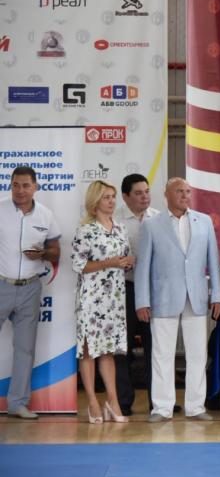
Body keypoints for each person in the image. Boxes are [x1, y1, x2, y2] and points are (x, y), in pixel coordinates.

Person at [135, 178, 220, 422]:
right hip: (163, 297)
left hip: (196, 296)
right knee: (161, 354)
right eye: (179, 191)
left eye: (187, 191)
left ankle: (196, 407)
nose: (185, 195)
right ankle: (162, 408)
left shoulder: (204, 221)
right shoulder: (151, 225)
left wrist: (217, 294)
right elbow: (143, 266)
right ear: (166, 195)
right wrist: (142, 301)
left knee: (198, 354)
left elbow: (213, 261)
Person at [0, 166, 61, 419]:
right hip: (1, 284)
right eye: (15, 185)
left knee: (25, 349)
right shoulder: (1, 209)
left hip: (30, 288)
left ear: (35, 187)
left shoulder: (46, 215)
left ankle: (17, 404)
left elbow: (56, 251)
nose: (20, 190)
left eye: (26, 185)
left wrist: (42, 254)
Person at [71, 180, 132, 424]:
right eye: (107, 197)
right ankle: (92, 402)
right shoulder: (85, 230)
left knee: (108, 351)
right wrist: (110, 263)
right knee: (88, 350)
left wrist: (128, 262)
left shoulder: (120, 228)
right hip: (91, 298)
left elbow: (123, 258)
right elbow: (79, 265)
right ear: (95, 201)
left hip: (114, 298)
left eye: (113, 196)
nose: (111, 201)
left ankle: (112, 401)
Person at [115, 173, 160, 416]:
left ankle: (159, 402)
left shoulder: (159, 218)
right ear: (125, 197)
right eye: (138, 193)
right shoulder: (114, 221)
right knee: (123, 349)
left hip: (154, 291)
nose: (145, 197)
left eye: (147, 191)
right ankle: (123, 401)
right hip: (125, 289)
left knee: (156, 347)